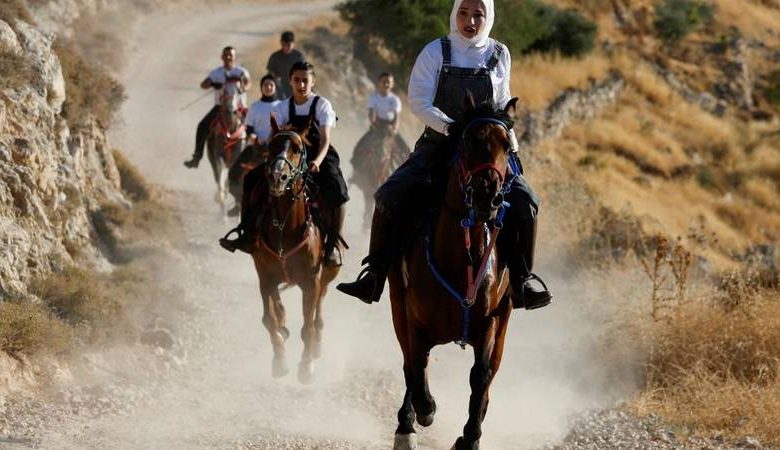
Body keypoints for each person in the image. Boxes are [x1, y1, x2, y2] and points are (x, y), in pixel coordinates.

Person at [337, 0, 552, 309]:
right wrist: (451, 127)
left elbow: (503, 100)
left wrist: (511, 144)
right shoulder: (435, 51)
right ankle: (374, 275)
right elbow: (419, 100)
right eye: (464, 13)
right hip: (441, 141)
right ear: (454, 14)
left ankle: (522, 280)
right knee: (388, 195)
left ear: (488, 16)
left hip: (488, 148)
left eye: (478, 14)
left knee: (527, 201)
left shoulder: (500, 53)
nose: (471, 20)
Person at [220, 61, 349, 267]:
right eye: (297, 80)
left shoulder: (322, 105)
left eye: (305, 80)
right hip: (288, 156)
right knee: (252, 179)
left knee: (338, 190)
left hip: (317, 155)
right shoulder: (282, 107)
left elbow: (325, 140)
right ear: (290, 81)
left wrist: (316, 161)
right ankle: (246, 234)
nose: (301, 85)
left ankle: (333, 244)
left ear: (312, 81)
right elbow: (276, 137)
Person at [184, 46, 251, 169]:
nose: (228, 57)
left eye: (230, 55)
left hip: (239, 108)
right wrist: (212, 83)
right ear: (221, 57)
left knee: (255, 127)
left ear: (235, 57)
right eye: (226, 55)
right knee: (202, 126)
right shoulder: (216, 73)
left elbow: (248, 83)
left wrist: (243, 88)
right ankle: (197, 157)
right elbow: (203, 85)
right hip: (220, 107)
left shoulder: (241, 71)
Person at [351, 72, 410, 175]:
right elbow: (371, 114)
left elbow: (396, 118)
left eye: (388, 82)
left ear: (392, 84)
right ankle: (356, 174)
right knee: (359, 147)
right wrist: (374, 124)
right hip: (377, 126)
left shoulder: (395, 100)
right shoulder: (374, 98)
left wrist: (394, 129)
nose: (386, 84)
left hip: (390, 128)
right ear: (379, 83)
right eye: (383, 82)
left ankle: (406, 176)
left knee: (406, 151)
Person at [266, 31, 305, 100]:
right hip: (279, 88)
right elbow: (270, 72)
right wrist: (275, 79)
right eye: (283, 45)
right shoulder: (275, 57)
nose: (286, 48)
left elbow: (304, 73)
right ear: (281, 43)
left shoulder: (298, 57)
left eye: (288, 45)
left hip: (295, 86)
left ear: (293, 44)